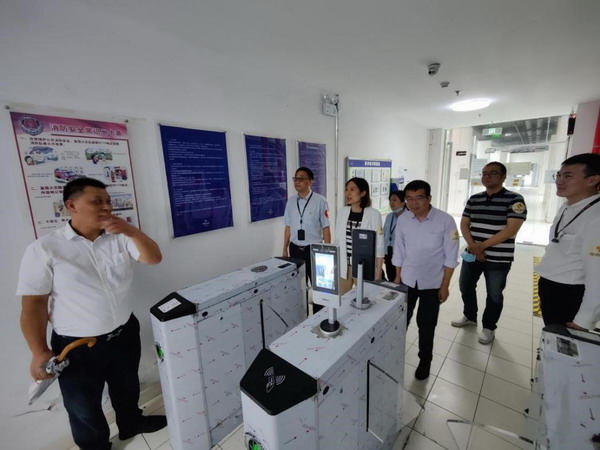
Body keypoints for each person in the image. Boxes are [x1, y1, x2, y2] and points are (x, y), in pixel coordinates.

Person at [17, 177, 166, 449]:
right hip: (76, 346)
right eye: (97, 201)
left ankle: (131, 423)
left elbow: (153, 258)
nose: (107, 207)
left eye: (108, 201)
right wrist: (38, 351)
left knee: (127, 387)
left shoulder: (121, 238)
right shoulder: (45, 248)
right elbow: (34, 305)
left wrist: (131, 231)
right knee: (83, 405)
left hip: (123, 333)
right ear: (71, 205)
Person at [450, 162, 527, 345]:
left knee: (494, 294)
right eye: (484, 173)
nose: (487, 176)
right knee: (465, 286)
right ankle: (470, 317)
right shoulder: (474, 199)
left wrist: (481, 246)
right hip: (473, 253)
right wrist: (473, 246)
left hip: (499, 258)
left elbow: (511, 230)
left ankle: (489, 327)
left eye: (492, 173)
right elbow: (464, 224)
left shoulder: (515, 200)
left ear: (503, 177)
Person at [393, 180, 459, 380]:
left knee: (426, 324)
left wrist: (445, 286)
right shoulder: (403, 220)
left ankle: (425, 360)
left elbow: (451, 256)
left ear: (429, 198)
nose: (413, 203)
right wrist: (397, 278)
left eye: (419, 198)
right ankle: (393, 355)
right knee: (400, 321)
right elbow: (399, 250)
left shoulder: (445, 221)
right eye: (409, 199)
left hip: (432, 283)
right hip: (407, 280)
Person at [536, 153, 600, 330]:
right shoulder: (567, 206)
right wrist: (546, 296)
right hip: (552, 287)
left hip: (571, 293)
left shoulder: (596, 218)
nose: (559, 181)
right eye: (558, 175)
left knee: (563, 343)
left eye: (568, 176)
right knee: (551, 335)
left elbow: (597, 277)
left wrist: (583, 321)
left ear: (592, 180)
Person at [282, 167, 331, 312]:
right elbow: (288, 227)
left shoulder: (320, 201)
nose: (297, 181)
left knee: (319, 286)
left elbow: (326, 228)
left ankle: (319, 316)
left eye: (301, 179)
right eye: (295, 178)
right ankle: (301, 316)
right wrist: (284, 248)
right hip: (295, 249)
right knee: (298, 286)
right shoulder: (291, 202)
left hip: (314, 250)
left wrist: (328, 251)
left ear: (310, 181)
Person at [334, 177, 384, 293]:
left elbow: (379, 245)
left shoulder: (374, 214)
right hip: (344, 265)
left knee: (364, 297)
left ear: (362, 193)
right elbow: (337, 240)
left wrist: (378, 272)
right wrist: (334, 265)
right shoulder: (342, 212)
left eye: (352, 190)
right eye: (346, 190)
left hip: (363, 265)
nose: (348, 193)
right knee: (343, 298)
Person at [383, 190, 406, 281]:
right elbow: (385, 234)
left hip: (402, 254)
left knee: (402, 279)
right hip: (389, 252)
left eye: (394, 200)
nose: (391, 203)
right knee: (391, 278)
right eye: (390, 201)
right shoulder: (389, 216)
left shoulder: (409, 217)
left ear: (403, 202)